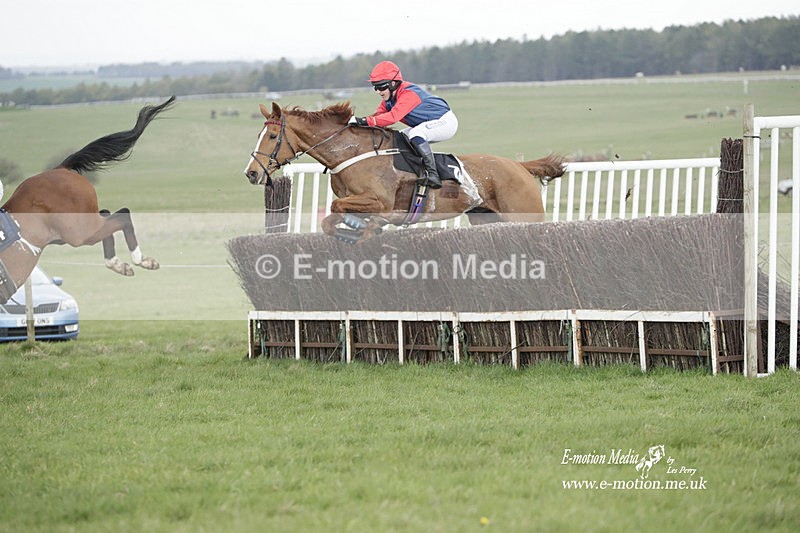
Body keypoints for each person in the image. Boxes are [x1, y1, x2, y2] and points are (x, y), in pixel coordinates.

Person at [348, 61, 458, 189]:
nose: (378, 91)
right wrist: (359, 124)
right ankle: (413, 170)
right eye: (375, 87)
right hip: (428, 122)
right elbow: (377, 117)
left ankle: (433, 175)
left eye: (381, 87)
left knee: (415, 134)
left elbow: (392, 118)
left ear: (393, 83)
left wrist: (363, 121)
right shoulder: (389, 99)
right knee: (400, 137)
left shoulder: (408, 94)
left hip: (445, 121)